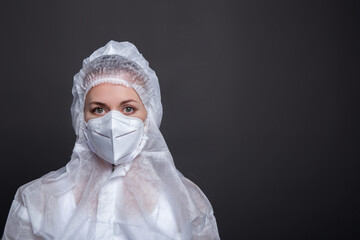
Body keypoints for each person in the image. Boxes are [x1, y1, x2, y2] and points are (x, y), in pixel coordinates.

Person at [2, 41, 220, 240]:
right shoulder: (36, 200)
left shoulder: (189, 204)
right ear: (81, 118)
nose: (113, 122)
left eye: (128, 109)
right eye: (99, 109)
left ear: (149, 117)